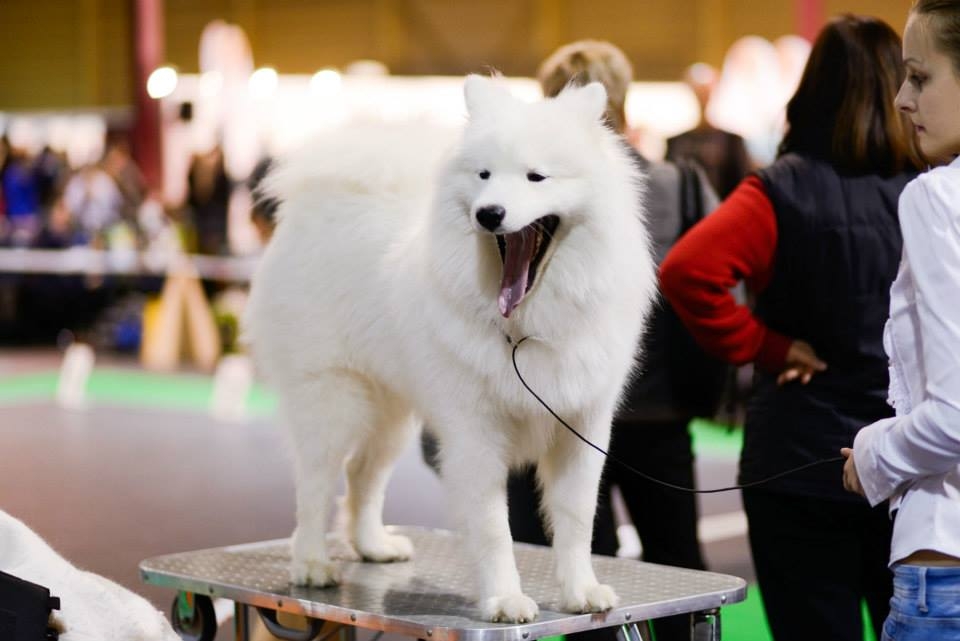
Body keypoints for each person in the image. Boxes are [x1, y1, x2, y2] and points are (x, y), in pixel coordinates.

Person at [659, 15, 921, 641]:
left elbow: (687, 271)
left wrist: (764, 348)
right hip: (912, 465)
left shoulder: (779, 190)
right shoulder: (932, 190)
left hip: (797, 463)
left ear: (814, 88)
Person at [508, 39, 719, 641]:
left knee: (577, 576)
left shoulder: (531, 191)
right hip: (658, 407)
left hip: (556, 410)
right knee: (678, 569)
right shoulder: (679, 184)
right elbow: (719, 283)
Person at [841, 1, 960, 639]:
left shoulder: (939, 197)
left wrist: (874, 451)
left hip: (947, 575)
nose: (901, 98)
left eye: (919, 76)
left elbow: (956, 416)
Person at [666, 63, 753, 198]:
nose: (703, 97)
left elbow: (742, 185)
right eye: (699, 91)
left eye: (706, 91)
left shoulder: (732, 142)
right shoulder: (676, 142)